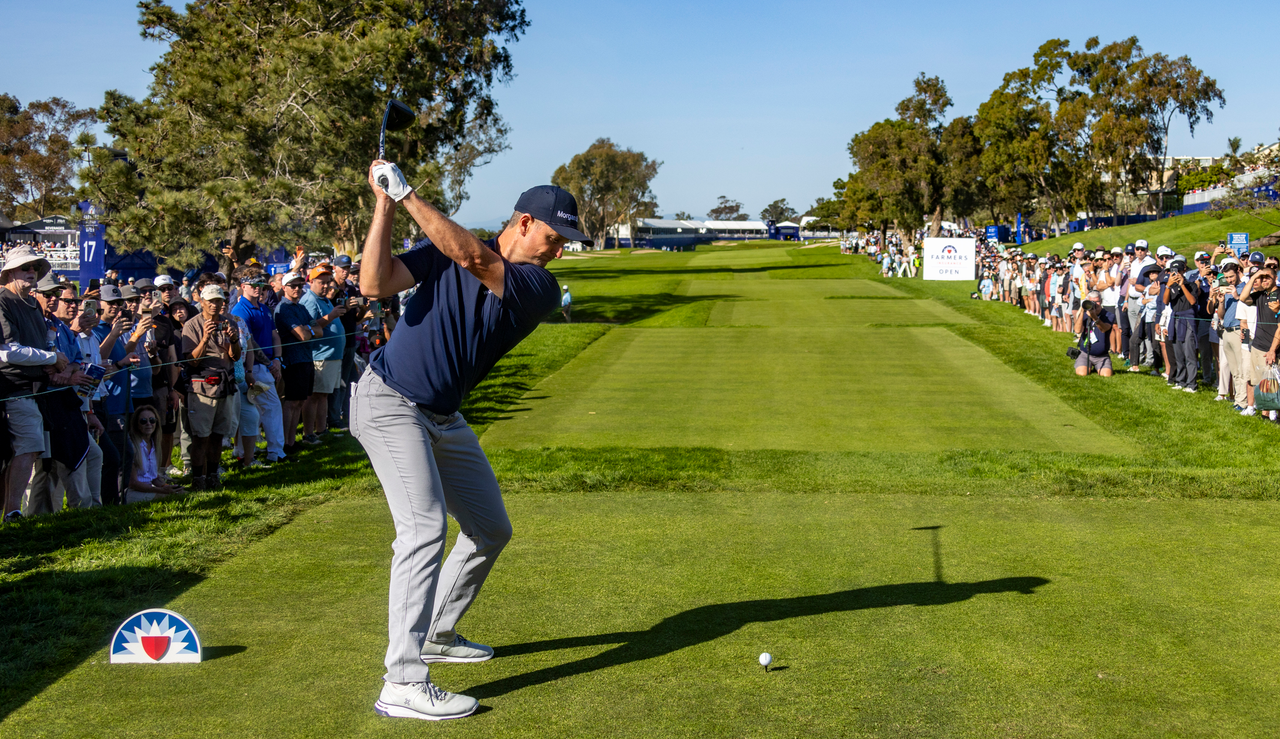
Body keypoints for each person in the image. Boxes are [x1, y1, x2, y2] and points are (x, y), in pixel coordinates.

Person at [352, 163, 579, 721]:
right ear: (524, 223)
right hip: (388, 401)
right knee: (423, 529)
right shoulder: (446, 250)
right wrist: (385, 204)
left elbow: (475, 259)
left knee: (490, 529)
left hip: (443, 416)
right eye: (554, 238)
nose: (559, 251)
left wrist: (408, 195)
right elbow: (373, 284)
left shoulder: (539, 287)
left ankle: (436, 633)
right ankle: (402, 682)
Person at [0, 246, 70, 522]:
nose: (32, 271)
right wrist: (51, 357)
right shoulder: (3, 300)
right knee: (27, 447)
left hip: (35, 390)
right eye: (25, 267)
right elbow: (7, 352)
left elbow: (40, 346)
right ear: (10, 272)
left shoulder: (32, 303)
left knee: (26, 451)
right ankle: (12, 512)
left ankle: (11, 512)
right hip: (12, 388)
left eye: (35, 267)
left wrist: (52, 355)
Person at [181, 284, 241, 489]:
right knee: (201, 437)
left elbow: (235, 356)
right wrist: (205, 338)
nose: (215, 304)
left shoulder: (229, 322)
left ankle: (213, 476)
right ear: (202, 301)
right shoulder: (192, 325)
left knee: (218, 436)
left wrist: (234, 340)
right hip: (202, 387)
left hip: (225, 384)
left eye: (218, 300)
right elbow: (192, 361)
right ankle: (198, 478)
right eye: (211, 301)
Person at [230, 266, 286, 463]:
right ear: (243, 285)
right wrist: (270, 364)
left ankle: (243, 452)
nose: (258, 288)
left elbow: (274, 335)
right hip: (254, 368)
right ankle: (275, 452)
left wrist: (277, 359)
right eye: (253, 284)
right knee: (270, 406)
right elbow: (250, 343)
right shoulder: (240, 310)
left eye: (260, 284)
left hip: (266, 365)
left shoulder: (263, 308)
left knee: (252, 410)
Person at [299, 265, 347, 443]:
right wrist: (331, 316)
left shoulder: (324, 299)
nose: (325, 286)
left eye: (327, 282)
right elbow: (309, 328)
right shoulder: (310, 300)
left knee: (323, 395)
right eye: (321, 283)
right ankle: (308, 433)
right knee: (314, 396)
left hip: (331, 356)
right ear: (311, 282)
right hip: (319, 356)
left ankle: (321, 429)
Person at [273, 272, 314, 454]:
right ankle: (284, 443)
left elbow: (317, 330)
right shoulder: (284, 308)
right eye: (293, 286)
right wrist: (308, 329)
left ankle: (291, 441)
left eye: (300, 285)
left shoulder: (301, 307)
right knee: (291, 402)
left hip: (305, 357)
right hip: (292, 359)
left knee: (299, 402)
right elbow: (304, 335)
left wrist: (308, 329)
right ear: (284, 288)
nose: (297, 289)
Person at [123, 406, 183, 503]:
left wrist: (167, 487)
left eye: (152, 420)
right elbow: (132, 483)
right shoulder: (132, 446)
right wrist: (161, 490)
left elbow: (154, 477)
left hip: (151, 489)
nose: (148, 424)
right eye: (143, 421)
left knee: (181, 493)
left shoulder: (155, 444)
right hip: (134, 492)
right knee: (169, 498)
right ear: (136, 424)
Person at [1074, 291, 1114, 377]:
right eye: (1092, 302)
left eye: (1097, 301)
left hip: (1102, 356)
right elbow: (1077, 330)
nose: (1095, 304)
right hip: (1085, 353)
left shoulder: (1108, 315)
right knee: (1082, 373)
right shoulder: (1085, 314)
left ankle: (1098, 367)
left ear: (1101, 301)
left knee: (1106, 375)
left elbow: (1104, 329)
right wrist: (1082, 311)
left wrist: (1094, 316)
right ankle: (1086, 365)